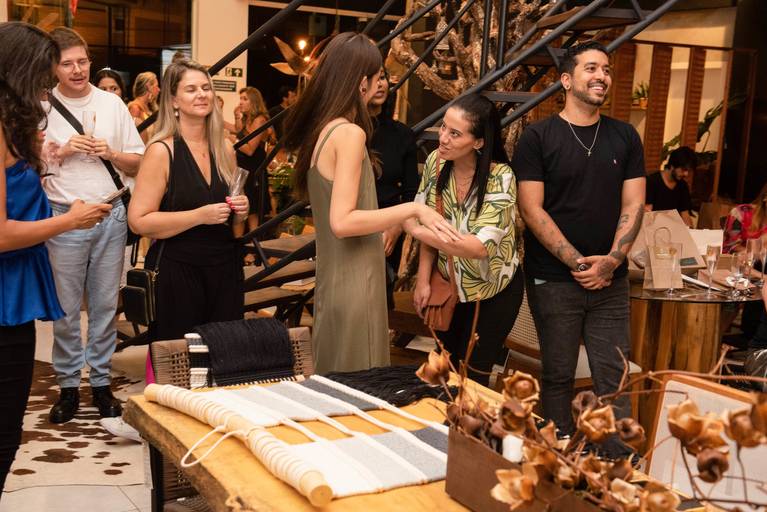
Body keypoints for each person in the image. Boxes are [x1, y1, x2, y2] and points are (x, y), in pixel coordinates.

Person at [282, 32, 460, 374]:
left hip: (334, 284)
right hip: (356, 283)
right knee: (357, 389)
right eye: (379, 77)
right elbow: (343, 221)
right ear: (362, 82)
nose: (382, 84)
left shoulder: (324, 130)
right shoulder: (350, 134)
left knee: (334, 386)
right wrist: (412, 208)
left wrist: (405, 222)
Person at [514, 41, 645, 455]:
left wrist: (612, 261)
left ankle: (618, 464)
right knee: (557, 375)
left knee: (615, 377)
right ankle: (560, 458)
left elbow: (634, 204)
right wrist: (578, 262)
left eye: (606, 69)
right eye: (591, 68)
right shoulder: (538, 137)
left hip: (611, 282)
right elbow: (531, 209)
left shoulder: (625, 136)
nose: (602, 75)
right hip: (554, 280)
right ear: (567, 80)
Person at [0, 22, 112, 493]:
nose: (48, 87)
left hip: (16, 288)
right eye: (43, 76)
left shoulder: (13, 127)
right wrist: (69, 221)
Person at [42, 27, 145, 425]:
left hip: (110, 213)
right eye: (67, 63)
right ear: (54, 67)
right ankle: (69, 386)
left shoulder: (112, 104)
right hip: (64, 217)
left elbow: (139, 161)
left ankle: (101, 383)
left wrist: (112, 153)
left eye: (82, 61)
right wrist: (63, 151)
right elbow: (27, 165)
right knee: (66, 310)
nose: (77, 70)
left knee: (104, 306)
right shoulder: (43, 107)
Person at [128, 59, 249, 342]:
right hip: (178, 271)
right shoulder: (161, 151)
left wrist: (241, 211)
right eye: (191, 89)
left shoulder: (226, 149)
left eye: (206, 88)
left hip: (224, 269)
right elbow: (138, 221)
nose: (202, 94)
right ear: (173, 101)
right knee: (182, 357)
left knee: (225, 352)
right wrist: (199, 216)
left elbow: (235, 226)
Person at [410, 94, 523, 386]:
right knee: (441, 373)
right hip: (449, 286)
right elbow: (426, 217)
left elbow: (478, 248)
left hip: (492, 291)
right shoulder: (436, 163)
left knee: (473, 378)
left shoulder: (501, 178)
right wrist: (423, 279)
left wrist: (417, 230)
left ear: (479, 142)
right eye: (443, 127)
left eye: (455, 133)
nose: (443, 138)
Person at [369, 68, 419, 298]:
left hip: (388, 232)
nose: (380, 84)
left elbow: (412, 192)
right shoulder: (347, 131)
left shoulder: (402, 134)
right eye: (373, 79)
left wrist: (397, 227)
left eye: (382, 78)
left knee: (381, 302)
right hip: (351, 228)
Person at [233, 86, 270, 248]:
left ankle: (254, 251)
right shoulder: (246, 118)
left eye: (245, 99)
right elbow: (238, 131)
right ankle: (238, 249)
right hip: (241, 169)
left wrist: (232, 140)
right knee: (239, 211)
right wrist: (236, 118)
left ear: (254, 101)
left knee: (252, 211)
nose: (241, 102)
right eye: (240, 98)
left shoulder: (260, 119)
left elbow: (249, 149)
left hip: (254, 170)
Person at [645, 146, 695, 226]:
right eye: (683, 169)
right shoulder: (652, 181)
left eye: (688, 171)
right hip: (655, 228)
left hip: (674, 229)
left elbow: (685, 214)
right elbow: (647, 212)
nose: (686, 174)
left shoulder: (683, 186)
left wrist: (689, 230)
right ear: (672, 165)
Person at [127, 71, 160, 143]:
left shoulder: (148, 107)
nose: (159, 89)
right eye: (157, 86)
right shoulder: (135, 108)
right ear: (149, 87)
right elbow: (133, 139)